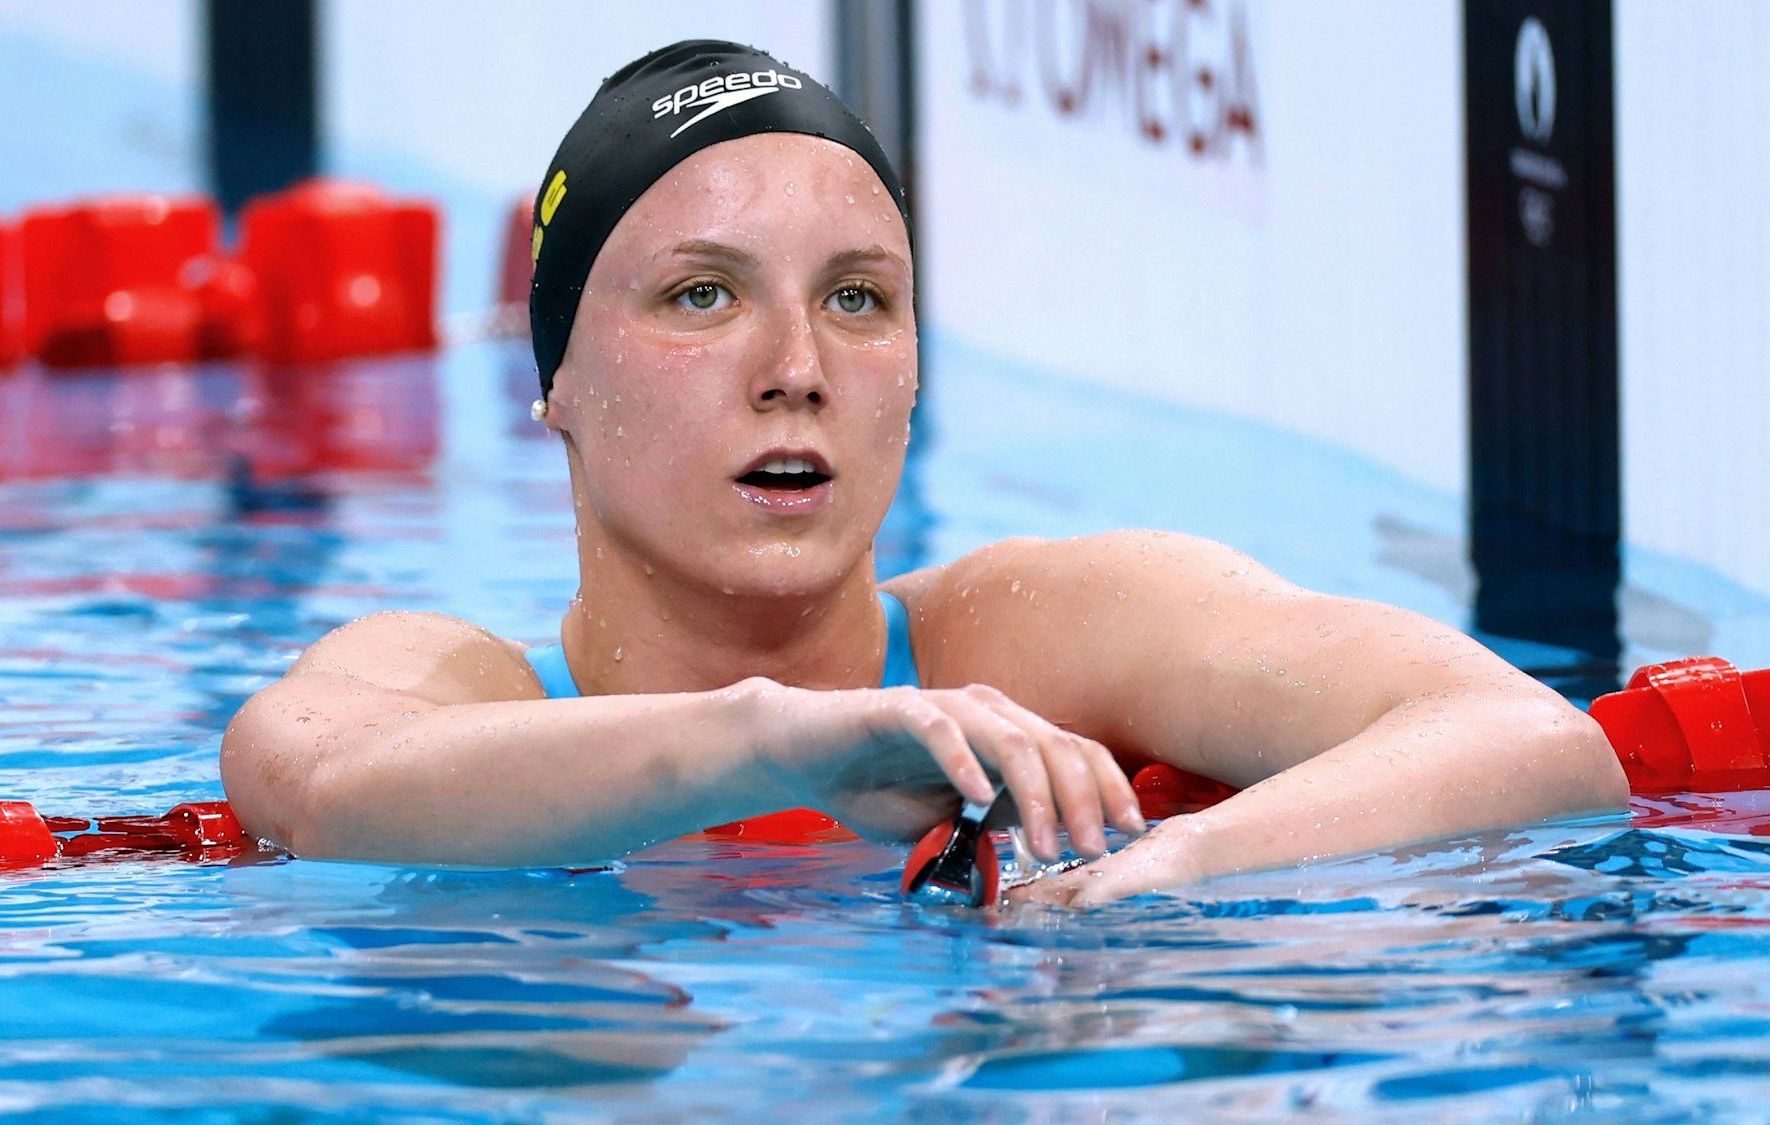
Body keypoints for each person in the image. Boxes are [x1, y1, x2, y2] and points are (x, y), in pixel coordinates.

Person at [220, 40, 1628, 907]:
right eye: (704, 296)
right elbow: (319, 788)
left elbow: (1531, 740)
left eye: (858, 298)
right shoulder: (451, 683)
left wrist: (1174, 872)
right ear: (555, 381)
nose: (796, 367)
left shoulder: (1041, 631)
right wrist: (775, 738)